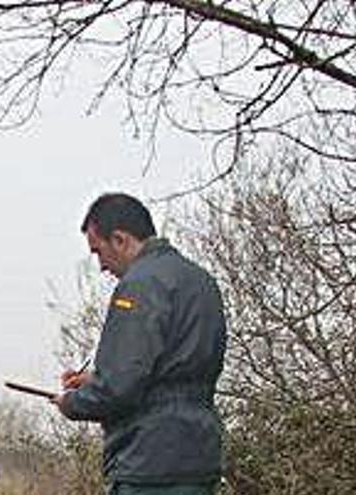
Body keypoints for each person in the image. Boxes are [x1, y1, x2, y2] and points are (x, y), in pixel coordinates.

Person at [52, 193, 226, 495]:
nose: (102, 266)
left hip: (149, 463)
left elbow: (117, 388)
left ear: (119, 239)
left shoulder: (139, 285)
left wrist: (72, 402)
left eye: (98, 252)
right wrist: (95, 380)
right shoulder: (203, 282)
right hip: (201, 458)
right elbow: (175, 372)